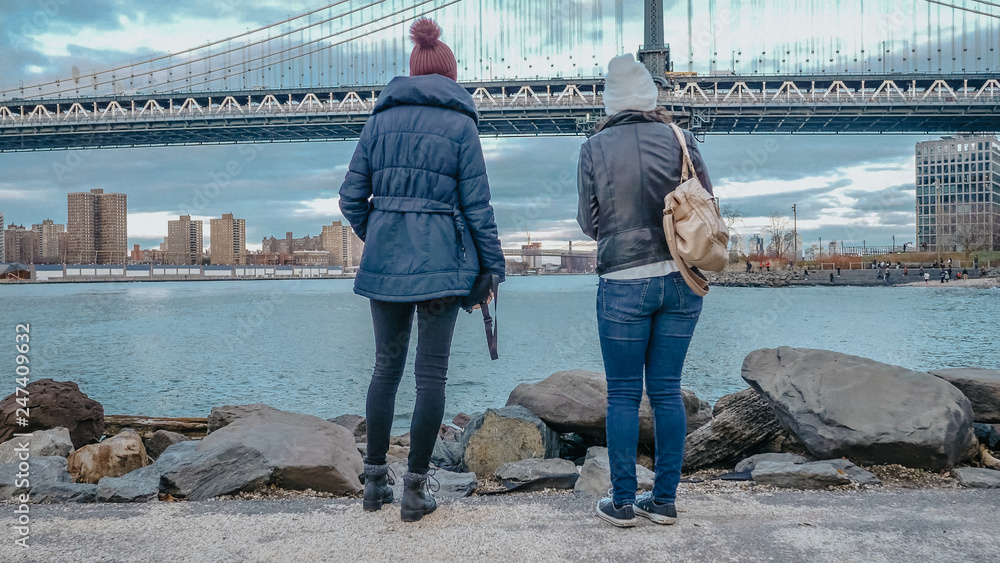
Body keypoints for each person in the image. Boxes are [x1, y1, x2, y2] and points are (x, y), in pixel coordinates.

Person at [339, 18, 505, 523]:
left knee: (384, 369)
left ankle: (372, 485)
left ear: (411, 73)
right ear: (451, 78)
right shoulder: (461, 125)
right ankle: (414, 491)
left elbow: (350, 200)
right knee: (430, 375)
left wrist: (385, 235)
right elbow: (478, 207)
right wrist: (491, 267)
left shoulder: (377, 121)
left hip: (387, 266)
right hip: (443, 267)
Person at [577, 53, 711, 528]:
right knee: (667, 391)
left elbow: (589, 222)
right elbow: (706, 207)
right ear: (652, 97)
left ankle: (622, 502)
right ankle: (666, 501)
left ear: (610, 102)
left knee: (622, 395)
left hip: (622, 284)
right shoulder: (682, 138)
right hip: (681, 281)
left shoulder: (593, 148)